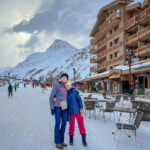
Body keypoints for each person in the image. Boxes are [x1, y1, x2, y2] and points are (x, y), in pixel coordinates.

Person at [49, 73, 69, 149]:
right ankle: (57, 142)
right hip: (57, 107)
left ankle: (62, 141)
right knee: (58, 123)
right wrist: (52, 107)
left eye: (66, 78)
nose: (64, 79)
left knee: (64, 124)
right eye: (63, 77)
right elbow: (51, 97)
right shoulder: (57, 85)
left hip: (64, 107)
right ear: (60, 78)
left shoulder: (67, 86)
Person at [65, 81, 87, 146]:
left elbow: (79, 100)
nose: (67, 86)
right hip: (70, 113)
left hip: (78, 111)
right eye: (66, 86)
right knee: (71, 126)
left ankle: (83, 138)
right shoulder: (65, 94)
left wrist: (81, 110)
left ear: (71, 86)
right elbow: (64, 104)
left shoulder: (74, 92)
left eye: (68, 85)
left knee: (81, 125)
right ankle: (71, 138)